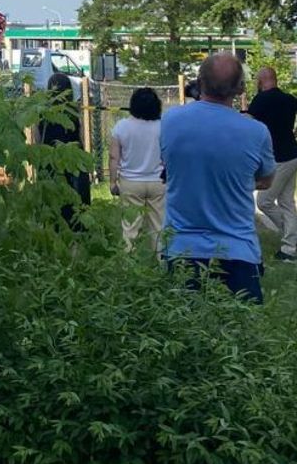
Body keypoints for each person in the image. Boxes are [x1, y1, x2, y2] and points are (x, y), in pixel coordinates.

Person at [160, 53, 275, 302]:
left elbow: (168, 165)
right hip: (238, 251)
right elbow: (267, 180)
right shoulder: (257, 132)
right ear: (241, 88)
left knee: (181, 324)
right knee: (242, 325)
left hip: (181, 249)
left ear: (199, 82)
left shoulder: (170, 121)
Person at [247, 66, 297, 262]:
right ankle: (290, 249)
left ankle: (291, 239)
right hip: (293, 155)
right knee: (286, 202)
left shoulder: (260, 100)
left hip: (279, 159)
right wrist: (296, 133)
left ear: (261, 81)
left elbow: (249, 125)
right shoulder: (287, 98)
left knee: (264, 201)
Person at [109, 87, 165, 249]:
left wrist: (112, 182)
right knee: (159, 225)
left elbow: (113, 157)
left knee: (130, 226)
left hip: (130, 183)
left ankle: (128, 258)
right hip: (158, 181)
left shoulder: (121, 127)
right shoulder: (163, 127)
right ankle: (161, 258)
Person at [40, 73, 90, 225]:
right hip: (73, 158)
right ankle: (77, 225)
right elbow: (80, 136)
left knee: (53, 198)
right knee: (76, 195)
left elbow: (37, 138)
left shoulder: (42, 112)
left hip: (50, 158)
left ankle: (54, 225)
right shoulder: (73, 111)